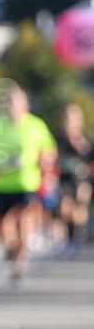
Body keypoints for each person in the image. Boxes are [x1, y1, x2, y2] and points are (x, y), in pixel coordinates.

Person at [0, 86, 57, 280]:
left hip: (27, 182)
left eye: (16, 102)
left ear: (25, 105)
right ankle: (12, 247)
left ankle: (19, 264)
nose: (12, 107)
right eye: (9, 102)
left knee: (24, 221)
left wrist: (44, 165)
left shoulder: (36, 125)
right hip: (3, 183)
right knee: (4, 226)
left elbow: (49, 151)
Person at [56, 103, 92, 255]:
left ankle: (78, 236)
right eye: (68, 118)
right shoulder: (59, 139)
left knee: (80, 206)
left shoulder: (85, 139)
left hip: (81, 178)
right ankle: (70, 237)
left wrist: (82, 147)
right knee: (66, 208)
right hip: (65, 178)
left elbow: (89, 159)